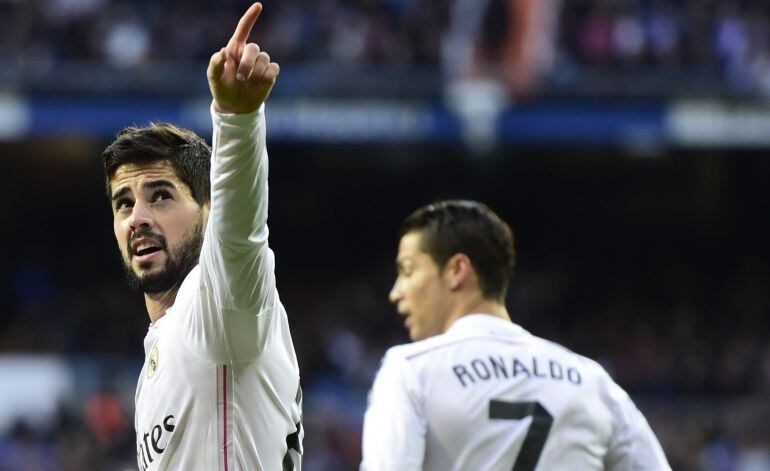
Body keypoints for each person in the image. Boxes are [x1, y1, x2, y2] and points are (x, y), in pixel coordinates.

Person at [101, 4, 302, 470]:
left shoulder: (218, 307)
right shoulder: (160, 350)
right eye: (124, 203)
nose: (138, 218)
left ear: (208, 212)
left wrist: (237, 119)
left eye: (161, 196)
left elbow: (240, 236)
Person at [360, 200, 670, 470]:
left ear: (457, 270)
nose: (396, 292)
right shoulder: (592, 382)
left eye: (408, 270)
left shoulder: (411, 371)